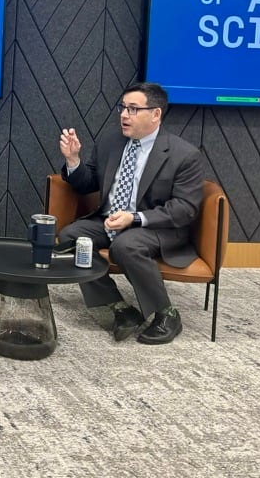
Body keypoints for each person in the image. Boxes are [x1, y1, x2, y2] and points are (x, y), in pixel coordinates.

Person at [56, 81, 203, 345]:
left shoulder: (184, 155)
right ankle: (120, 308)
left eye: (133, 109)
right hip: (109, 219)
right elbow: (89, 184)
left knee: (126, 245)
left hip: (156, 227)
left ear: (155, 114)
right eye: (123, 107)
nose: (124, 115)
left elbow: (185, 209)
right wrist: (73, 161)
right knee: (72, 236)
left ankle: (166, 314)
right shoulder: (111, 141)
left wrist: (134, 218)